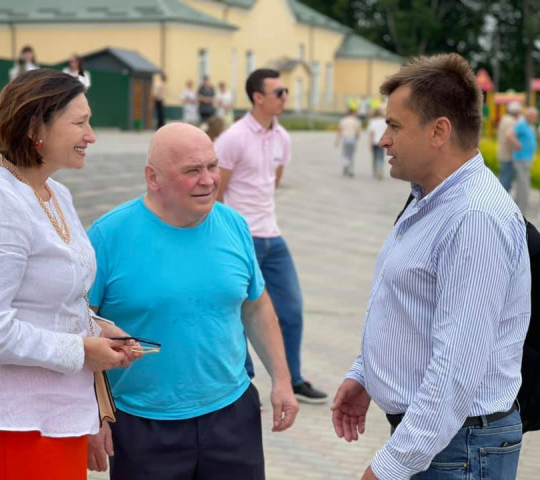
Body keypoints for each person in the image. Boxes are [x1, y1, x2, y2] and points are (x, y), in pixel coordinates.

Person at [331, 53, 530, 480]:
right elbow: (409, 307)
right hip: (443, 442)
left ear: (439, 131)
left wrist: (389, 467)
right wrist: (366, 374)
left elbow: (456, 370)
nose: (383, 140)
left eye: (395, 126)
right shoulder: (432, 199)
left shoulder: (474, 218)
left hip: (457, 449)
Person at [0, 69, 140, 480]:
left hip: (57, 417)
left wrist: (100, 330)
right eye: (79, 122)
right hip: (9, 426)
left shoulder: (56, 193)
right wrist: (81, 351)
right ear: (35, 127)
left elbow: (54, 301)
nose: (91, 136)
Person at [86, 123, 298, 479]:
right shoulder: (107, 236)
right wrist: (92, 413)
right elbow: (77, 324)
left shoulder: (233, 224)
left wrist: (282, 380)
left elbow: (256, 306)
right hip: (141, 423)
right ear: (153, 177)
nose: (209, 180)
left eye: (212, 166)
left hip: (232, 415)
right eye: (192, 170)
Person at [216, 68, 328, 404]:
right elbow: (216, 192)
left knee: (291, 310)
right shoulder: (233, 138)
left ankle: (293, 379)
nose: (284, 97)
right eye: (278, 92)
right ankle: (243, 384)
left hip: (272, 237)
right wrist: (226, 238)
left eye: (285, 91)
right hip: (241, 238)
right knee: (238, 313)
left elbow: (272, 183)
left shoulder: (283, 138)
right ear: (258, 97)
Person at [507, 106, 539, 213]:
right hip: (521, 158)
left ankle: (518, 207)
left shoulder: (530, 126)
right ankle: (522, 208)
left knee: (522, 183)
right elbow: (509, 135)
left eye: (535, 116)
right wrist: (517, 144)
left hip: (526, 158)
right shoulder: (521, 124)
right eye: (533, 116)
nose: (534, 118)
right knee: (524, 184)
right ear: (527, 115)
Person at [498, 101, 521, 192]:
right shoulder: (511, 121)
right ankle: (503, 197)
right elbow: (509, 136)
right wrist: (518, 145)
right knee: (507, 178)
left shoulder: (504, 119)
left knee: (504, 175)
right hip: (509, 154)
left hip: (503, 152)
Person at [335, 108, 362, 177]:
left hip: (345, 138)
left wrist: (337, 140)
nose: (357, 114)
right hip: (353, 138)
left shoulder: (343, 120)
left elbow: (340, 130)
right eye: (356, 113)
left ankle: (346, 164)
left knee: (345, 154)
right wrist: (357, 138)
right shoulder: (356, 121)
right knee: (352, 155)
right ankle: (351, 170)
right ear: (352, 113)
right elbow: (358, 132)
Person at [366, 107, 387, 180]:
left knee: (375, 157)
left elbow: (371, 133)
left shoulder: (373, 121)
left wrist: (370, 143)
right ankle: (380, 170)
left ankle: (375, 172)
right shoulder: (384, 122)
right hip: (382, 142)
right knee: (381, 157)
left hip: (374, 142)